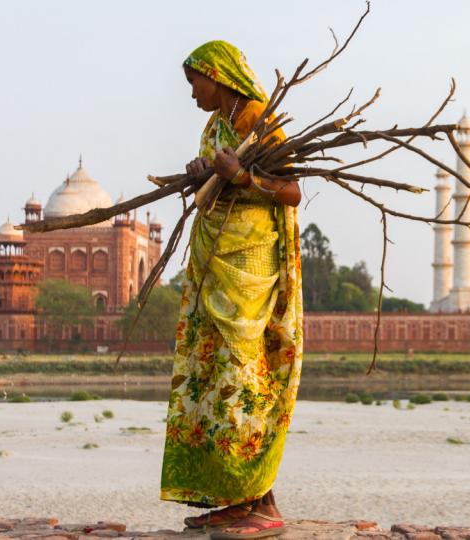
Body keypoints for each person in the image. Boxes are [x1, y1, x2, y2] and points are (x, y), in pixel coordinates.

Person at [159, 40, 303, 539]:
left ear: (218, 76)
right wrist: (203, 173)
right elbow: (216, 184)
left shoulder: (257, 120)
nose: (193, 92)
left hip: (249, 271)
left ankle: (262, 503)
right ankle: (232, 501)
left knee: (245, 383)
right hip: (216, 265)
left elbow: (290, 190)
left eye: (195, 81)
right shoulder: (215, 126)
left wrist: (239, 175)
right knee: (218, 386)